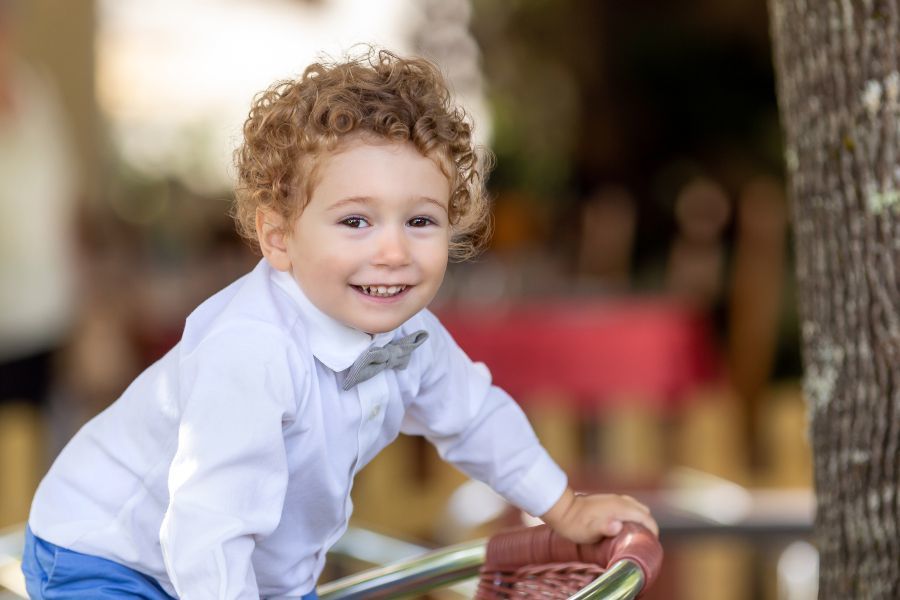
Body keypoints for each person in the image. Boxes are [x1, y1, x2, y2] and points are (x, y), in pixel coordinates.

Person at [23, 48, 658, 599]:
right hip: (109, 555)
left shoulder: (414, 339)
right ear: (279, 237)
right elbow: (209, 521)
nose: (393, 251)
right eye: (356, 221)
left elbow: (476, 415)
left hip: (263, 572)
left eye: (420, 221)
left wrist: (564, 506)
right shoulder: (250, 352)